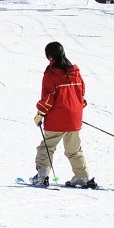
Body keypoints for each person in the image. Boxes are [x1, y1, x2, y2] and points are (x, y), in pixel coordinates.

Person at [31, 41, 97, 189]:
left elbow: (48, 98)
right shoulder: (75, 72)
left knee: (47, 147)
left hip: (57, 118)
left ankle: (42, 176)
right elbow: (81, 95)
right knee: (74, 149)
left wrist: (39, 115)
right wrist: (75, 111)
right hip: (74, 117)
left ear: (49, 56)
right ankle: (82, 176)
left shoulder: (51, 73)